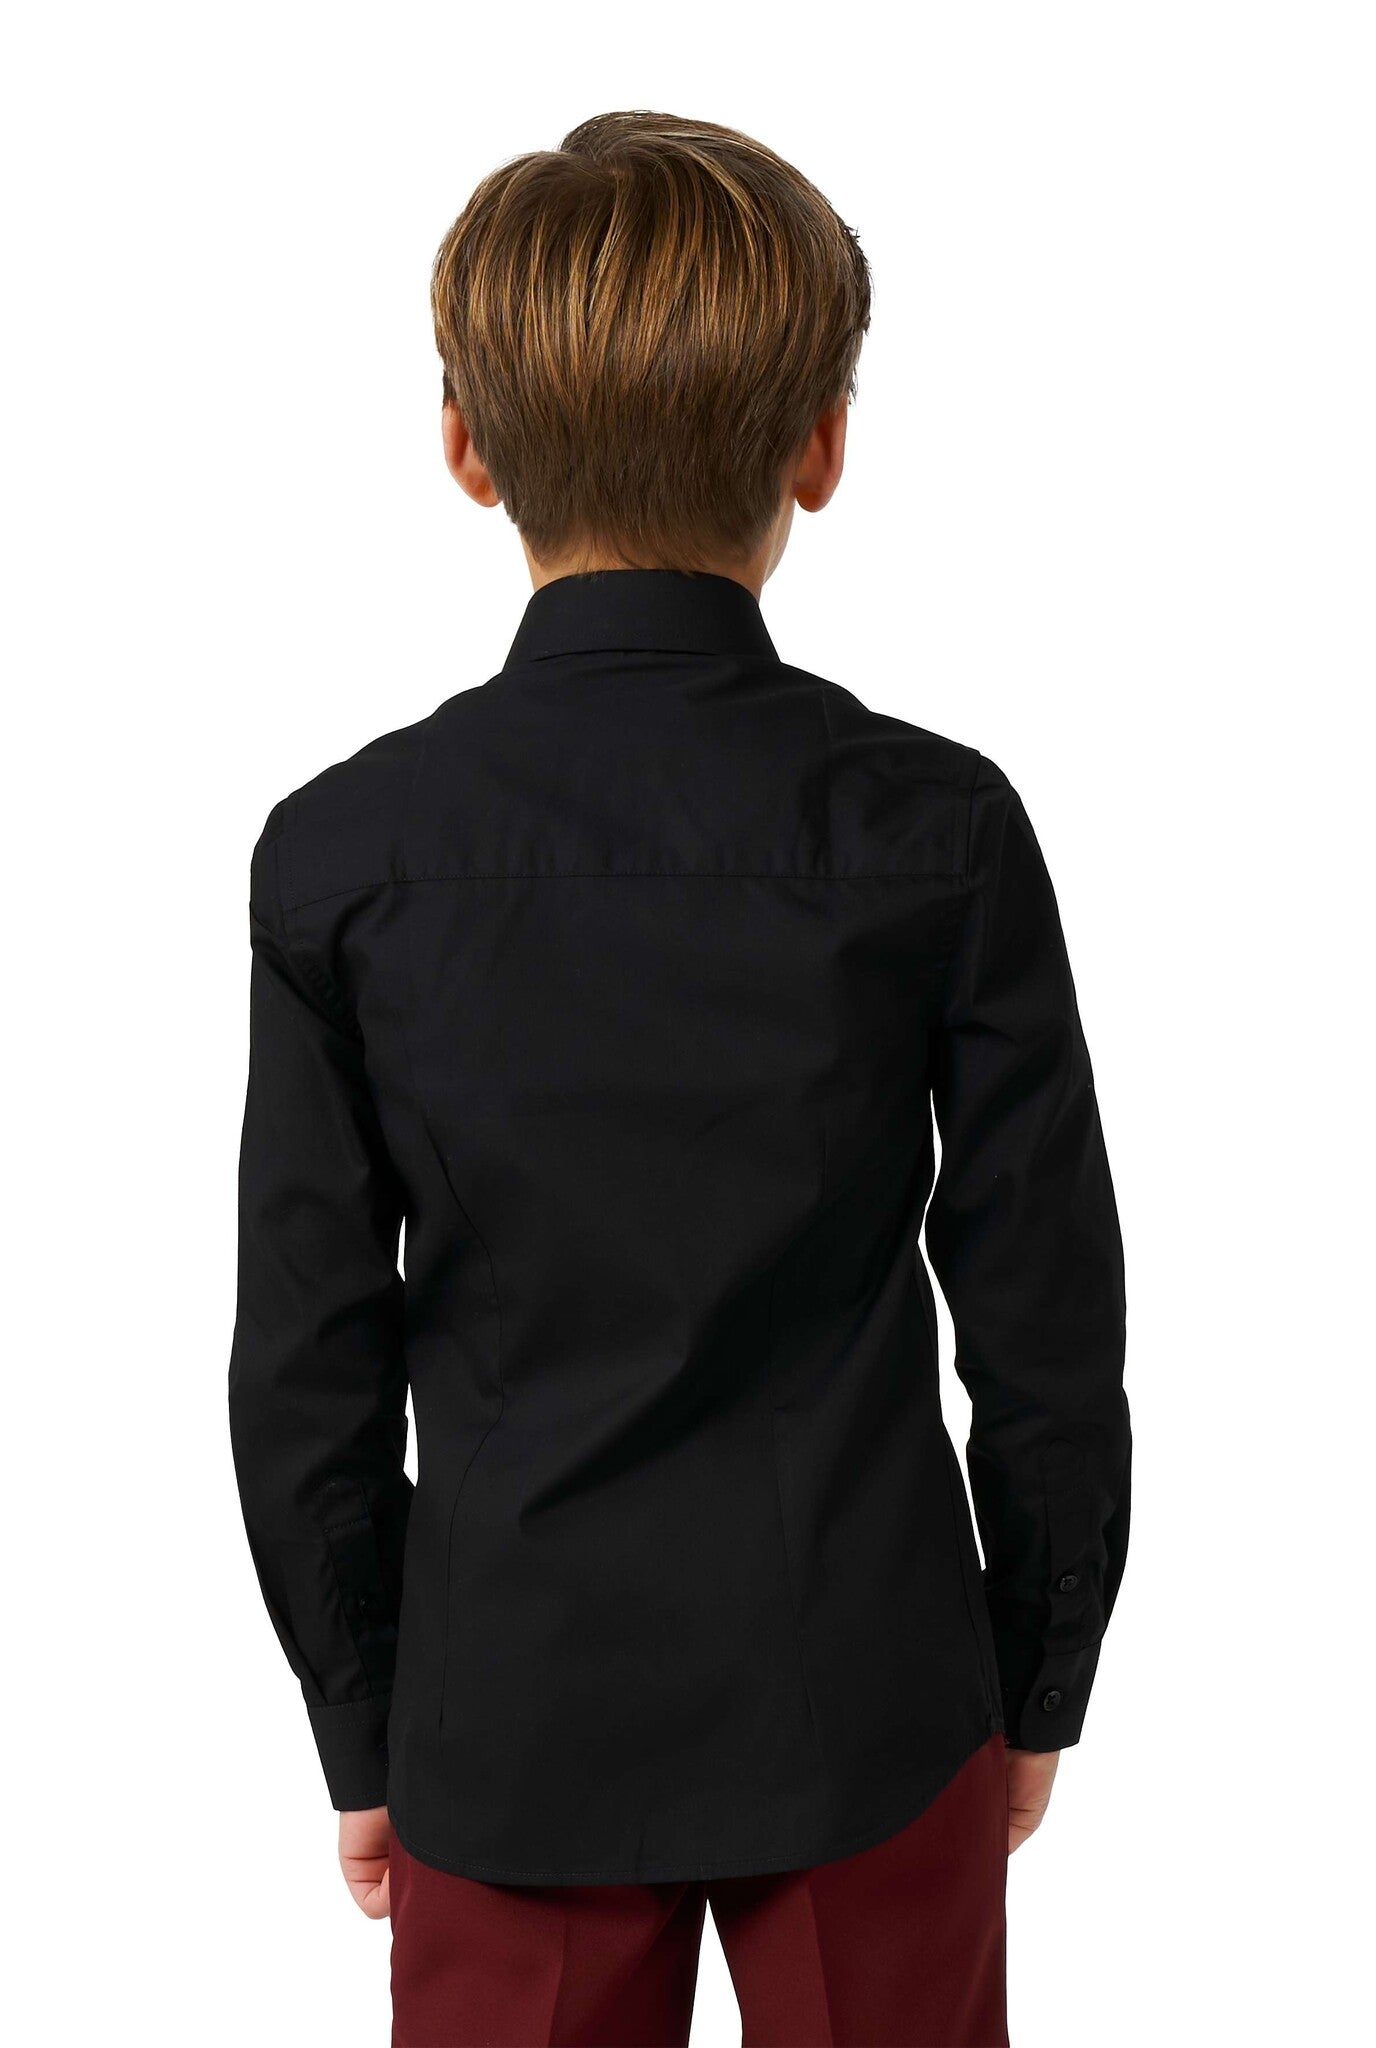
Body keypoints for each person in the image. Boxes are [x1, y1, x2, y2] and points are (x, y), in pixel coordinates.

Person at [228, 109, 1131, 2048]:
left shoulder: (343, 857)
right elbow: (1045, 1314)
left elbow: (309, 1349)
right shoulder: (937, 831)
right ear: (821, 443)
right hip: (872, 1696)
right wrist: (1035, 1669)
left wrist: (359, 1713)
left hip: (507, 1718)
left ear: (465, 447)